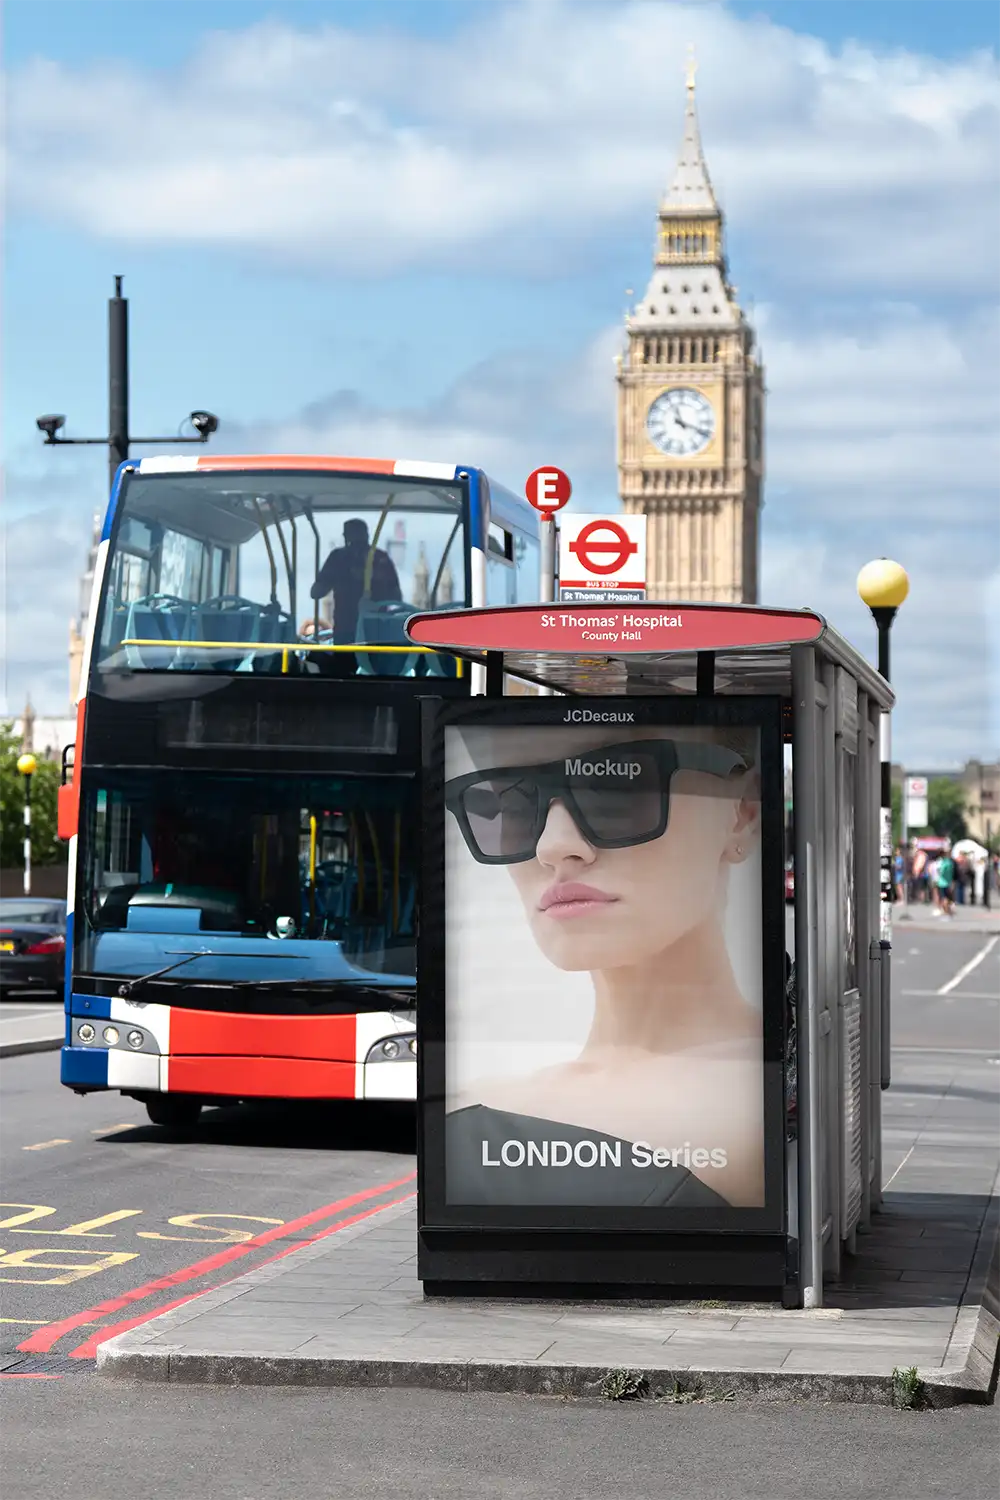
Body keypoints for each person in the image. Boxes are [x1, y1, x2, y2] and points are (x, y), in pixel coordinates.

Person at [443, 723, 764, 1209]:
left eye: (617, 784)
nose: (552, 847)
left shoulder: (773, 1093)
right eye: (513, 802)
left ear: (740, 815)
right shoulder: (476, 1099)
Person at [310, 519, 402, 644]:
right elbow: (316, 592)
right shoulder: (340, 558)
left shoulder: (380, 559)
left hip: (367, 630)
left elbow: (316, 591)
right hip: (362, 630)